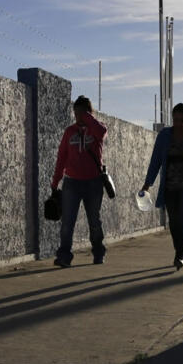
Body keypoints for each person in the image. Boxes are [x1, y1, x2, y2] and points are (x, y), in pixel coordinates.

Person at [141, 103, 183, 270]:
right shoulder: (164, 136)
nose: (179, 124)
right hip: (169, 187)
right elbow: (155, 161)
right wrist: (148, 184)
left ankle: (180, 254)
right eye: (176, 120)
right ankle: (178, 249)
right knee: (174, 221)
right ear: (172, 119)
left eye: (182, 121)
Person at [51, 95, 107, 267]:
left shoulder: (97, 129)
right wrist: (55, 182)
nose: (78, 117)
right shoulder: (69, 132)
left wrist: (88, 118)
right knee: (67, 222)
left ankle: (98, 252)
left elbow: (102, 132)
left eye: (81, 113)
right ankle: (64, 256)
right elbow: (62, 157)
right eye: (76, 113)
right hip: (72, 183)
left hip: (94, 182)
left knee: (94, 221)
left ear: (89, 113)